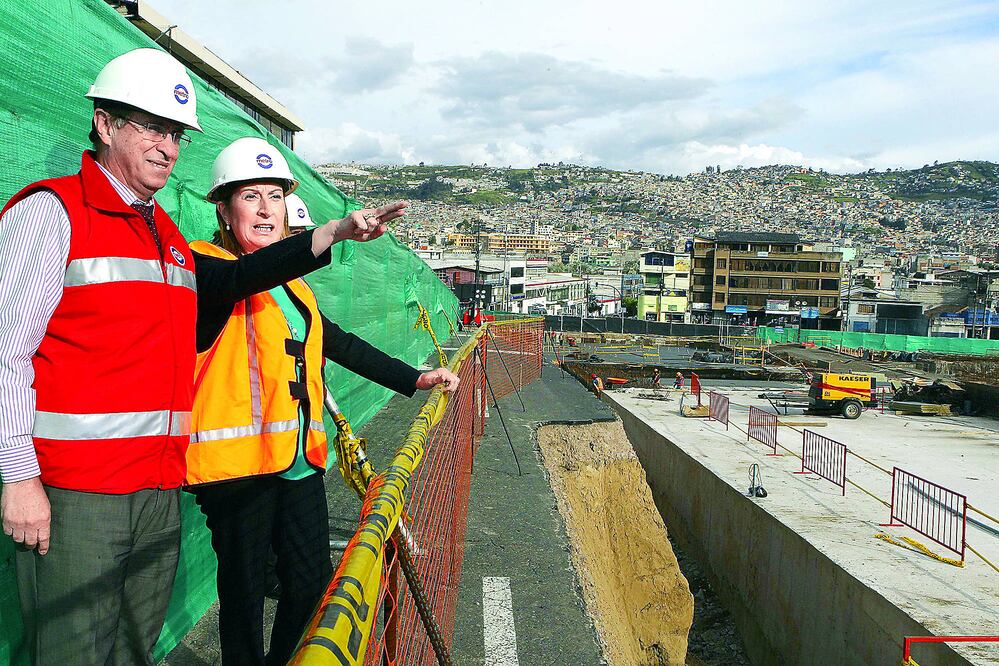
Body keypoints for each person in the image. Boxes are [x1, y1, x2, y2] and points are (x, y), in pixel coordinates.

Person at [185, 137, 460, 666]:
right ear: (223, 208)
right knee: (243, 598)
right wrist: (332, 231)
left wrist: (415, 378)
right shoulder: (206, 266)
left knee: (311, 583)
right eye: (250, 197)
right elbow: (244, 277)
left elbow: (339, 344)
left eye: (276, 197)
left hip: (297, 462)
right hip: (235, 470)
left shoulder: (294, 290)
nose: (267, 210)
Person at [0, 48, 202, 665]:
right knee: (72, 655)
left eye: (176, 134)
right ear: (106, 125)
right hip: (77, 498)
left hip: (157, 492)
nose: (168, 147)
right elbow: (7, 351)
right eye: (152, 127)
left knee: (135, 654)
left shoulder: (170, 238)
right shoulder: (53, 212)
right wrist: (17, 477)